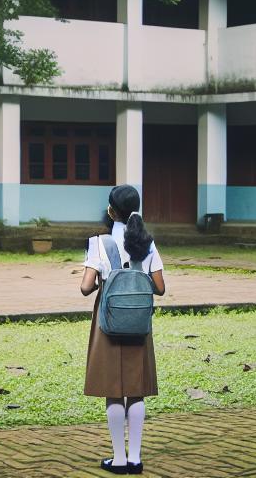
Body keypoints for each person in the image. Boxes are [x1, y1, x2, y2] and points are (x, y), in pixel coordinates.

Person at [80, 184, 166, 475]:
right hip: (139, 323)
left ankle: (118, 459)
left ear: (110, 210)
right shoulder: (147, 242)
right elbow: (161, 288)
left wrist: (104, 282)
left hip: (109, 321)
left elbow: (84, 287)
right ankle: (136, 459)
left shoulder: (100, 242)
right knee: (136, 390)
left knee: (114, 391)